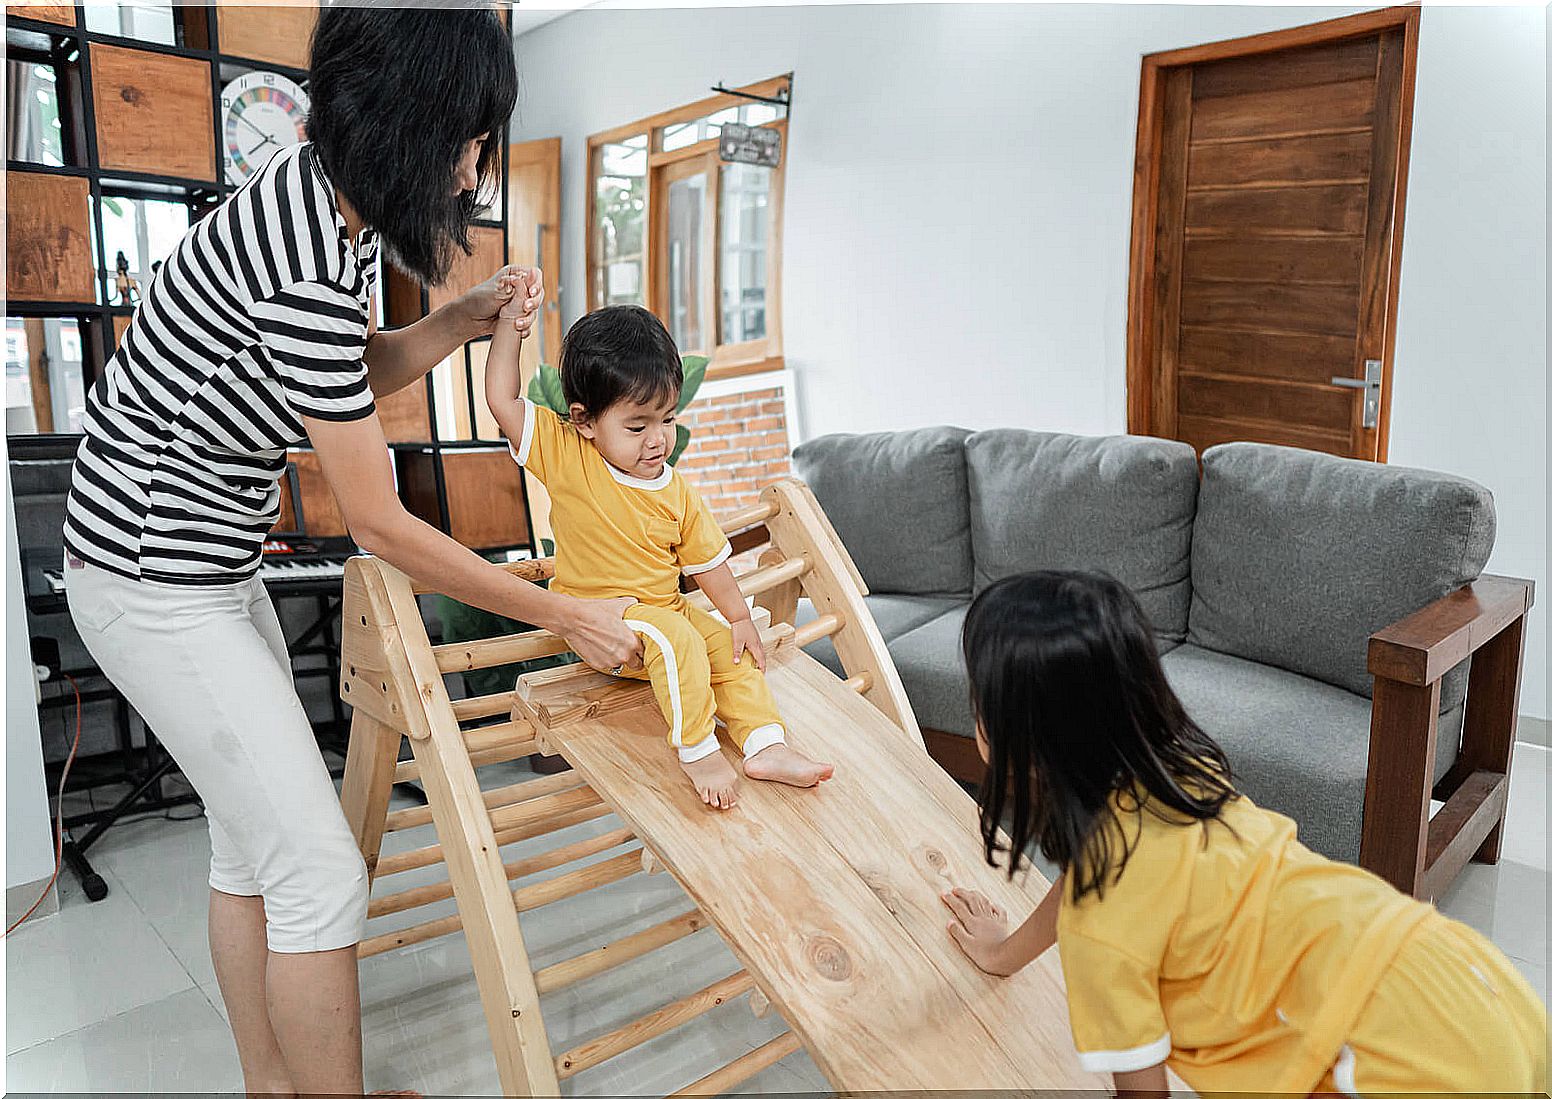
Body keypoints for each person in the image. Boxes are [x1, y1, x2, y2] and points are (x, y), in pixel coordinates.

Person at [60, 9, 640, 1095]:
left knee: (254, 851)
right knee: (322, 873)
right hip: (148, 576)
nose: (474, 166)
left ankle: (273, 1086)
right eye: (470, 138)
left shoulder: (328, 204)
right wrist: (559, 610)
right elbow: (376, 520)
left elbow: (343, 373)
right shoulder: (302, 257)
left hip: (199, 561)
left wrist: (463, 317)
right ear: (414, 127)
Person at [940, 571, 1546, 1096]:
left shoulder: (1099, 934)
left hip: (1386, 1059)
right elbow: (1090, 874)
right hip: (1465, 980)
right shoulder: (1183, 776)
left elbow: (1141, 1085)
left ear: (1021, 741)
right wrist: (1004, 952)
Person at [483, 294, 833, 808]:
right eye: (637, 426)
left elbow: (707, 562)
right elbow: (500, 399)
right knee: (680, 641)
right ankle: (697, 750)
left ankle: (766, 745)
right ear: (584, 421)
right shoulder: (563, 452)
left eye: (667, 420)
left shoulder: (675, 491)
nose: (657, 441)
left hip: (662, 612)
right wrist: (511, 327)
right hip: (604, 623)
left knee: (728, 652)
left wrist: (738, 618)